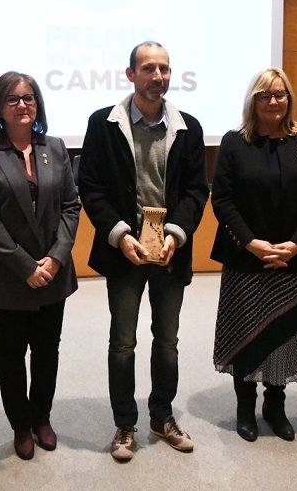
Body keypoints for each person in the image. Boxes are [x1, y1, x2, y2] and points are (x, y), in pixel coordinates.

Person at [79, 41, 209, 461]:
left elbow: (195, 191)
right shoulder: (103, 124)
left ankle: (161, 415)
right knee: (123, 343)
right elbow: (91, 187)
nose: (158, 76)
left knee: (167, 340)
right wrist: (119, 234)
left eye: (165, 69)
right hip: (125, 252)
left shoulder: (187, 126)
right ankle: (124, 424)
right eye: (149, 68)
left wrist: (176, 233)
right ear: (130, 74)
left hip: (170, 252)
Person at [210, 68, 297, 442]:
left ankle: (275, 407)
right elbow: (223, 199)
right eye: (265, 95)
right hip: (246, 257)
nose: (274, 101)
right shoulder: (233, 142)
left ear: (289, 99)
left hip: (293, 258)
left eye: (280, 95)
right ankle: (245, 406)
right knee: (245, 332)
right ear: (253, 101)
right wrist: (251, 243)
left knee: (284, 332)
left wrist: (295, 245)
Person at [0, 72, 80, 460]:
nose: (22, 105)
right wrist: (25, 265)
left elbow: (70, 206)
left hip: (53, 272)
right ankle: (20, 424)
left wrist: (57, 256)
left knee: (48, 351)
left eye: (29, 98)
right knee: (11, 354)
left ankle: (42, 417)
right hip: (7, 276)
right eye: (13, 99)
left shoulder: (56, 147)